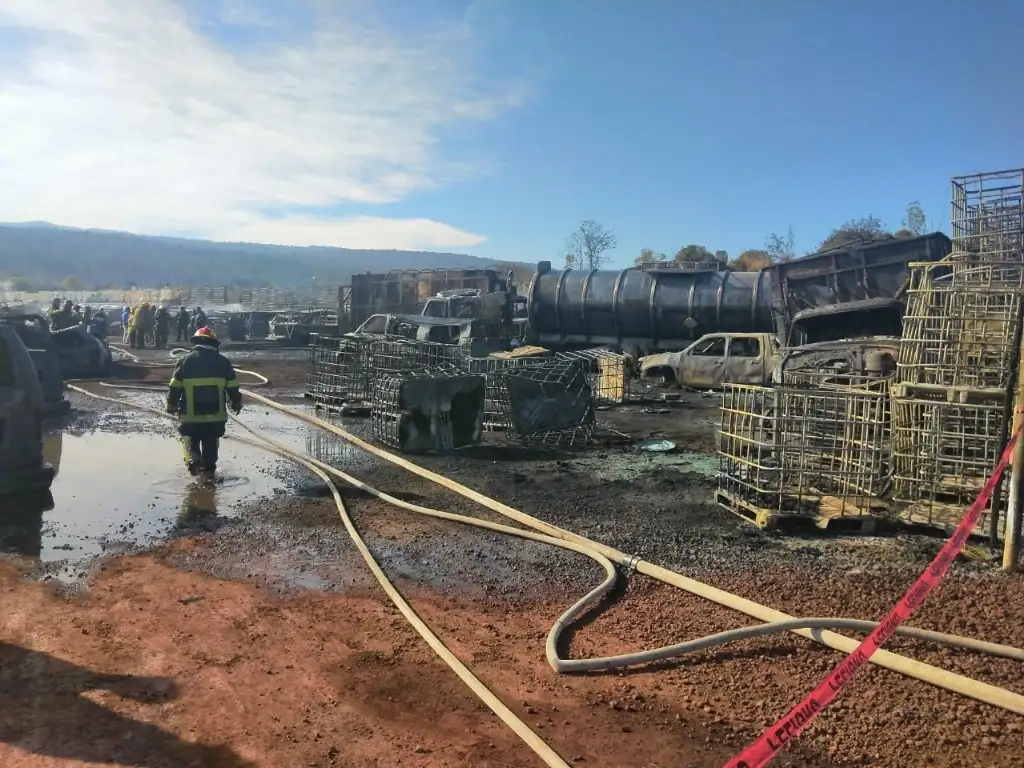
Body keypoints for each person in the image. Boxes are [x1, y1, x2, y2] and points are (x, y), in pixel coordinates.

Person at [165, 326, 242, 479]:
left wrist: (171, 404)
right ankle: (209, 474)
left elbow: (175, 387)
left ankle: (193, 460)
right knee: (211, 443)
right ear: (214, 343)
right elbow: (233, 387)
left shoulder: (184, 361)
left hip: (190, 416)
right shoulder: (223, 362)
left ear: (196, 342)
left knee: (189, 439)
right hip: (215, 416)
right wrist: (236, 403)